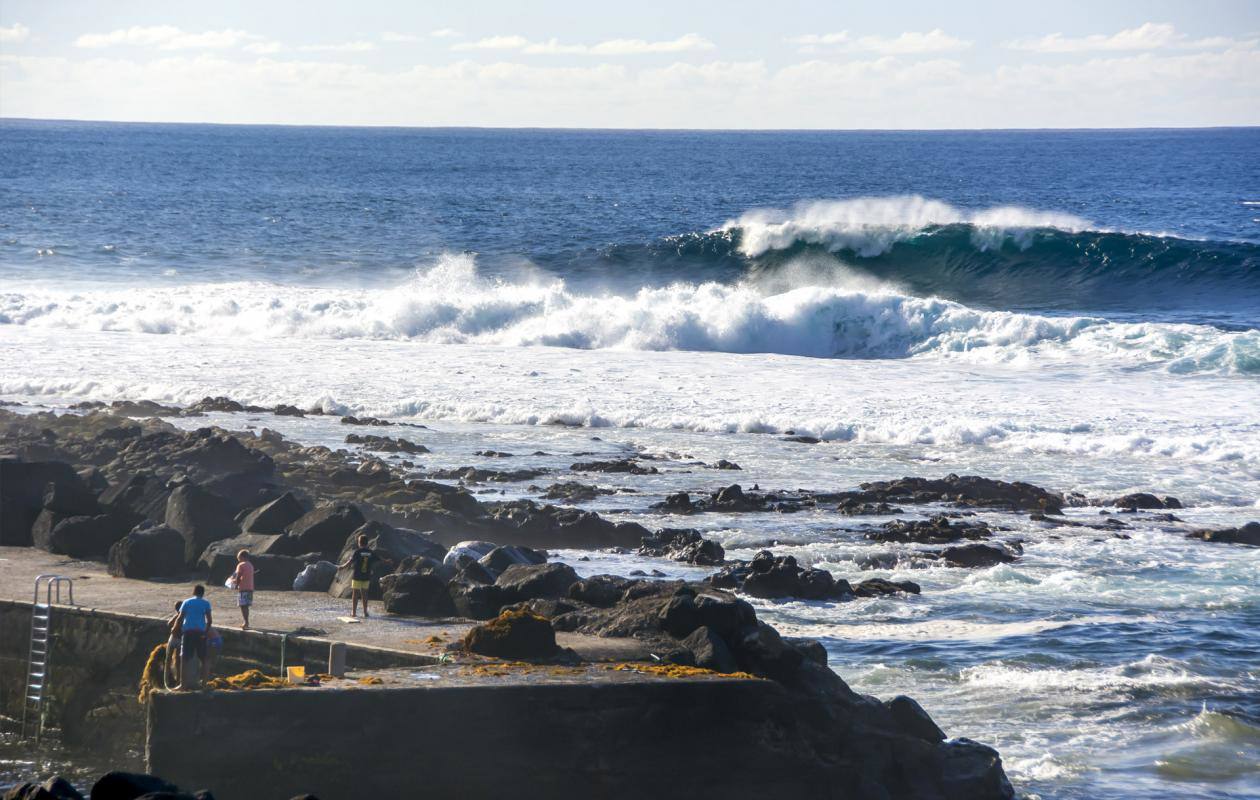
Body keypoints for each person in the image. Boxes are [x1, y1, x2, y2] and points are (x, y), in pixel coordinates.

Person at [336, 534, 391, 618]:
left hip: (357, 576)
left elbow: (350, 561)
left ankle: (354, 613)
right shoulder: (370, 552)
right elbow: (379, 558)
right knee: (364, 594)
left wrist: (343, 566)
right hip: (366, 576)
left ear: (359, 543)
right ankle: (365, 612)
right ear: (367, 543)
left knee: (355, 594)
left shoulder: (357, 552)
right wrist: (387, 561)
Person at [176, 584, 212, 690]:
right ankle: (204, 684)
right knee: (204, 659)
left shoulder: (187, 602)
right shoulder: (206, 603)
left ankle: (183, 685)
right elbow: (209, 621)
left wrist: (175, 628)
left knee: (184, 658)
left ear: (194, 592)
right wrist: (205, 632)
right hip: (200, 633)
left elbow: (180, 618)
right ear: (203, 593)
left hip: (188, 632)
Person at [231, 549, 256, 629]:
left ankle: (246, 623)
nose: (238, 559)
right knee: (246, 606)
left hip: (243, 588)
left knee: (243, 606)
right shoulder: (250, 565)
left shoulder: (241, 565)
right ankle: (246, 622)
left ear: (242, 557)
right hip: (250, 587)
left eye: (238, 557)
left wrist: (236, 585)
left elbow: (238, 576)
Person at [165, 600, 183, 683]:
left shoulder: (185, 616)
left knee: (177, 660)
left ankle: (178, 679)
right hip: (174, 638)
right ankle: (167, 678)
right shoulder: (178, 616)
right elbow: (169, 624)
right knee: (169, 658)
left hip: (179, 639)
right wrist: (178, 615)